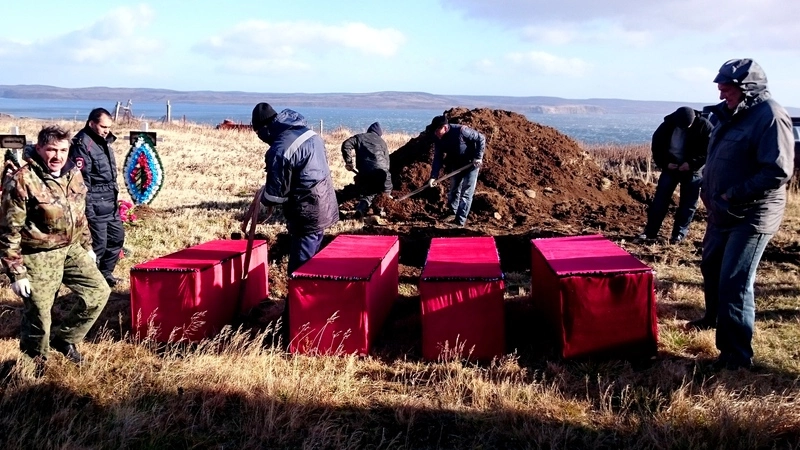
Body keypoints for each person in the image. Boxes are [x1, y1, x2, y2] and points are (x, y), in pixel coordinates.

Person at [689, 59, 794, 370]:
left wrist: (731, 194)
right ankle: (714, 318)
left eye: (727, 89)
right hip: (722, 211)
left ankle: (735, 357)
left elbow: (777, 171)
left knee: (734, 281)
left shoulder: (770, 116)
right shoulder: (729, 114)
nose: (721, 94)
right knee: (711, 267)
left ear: (748, 88)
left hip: (752, 214)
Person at [0, 125, 111, 373]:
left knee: (98, 292)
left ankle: (65, 339)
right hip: (38, 254)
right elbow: (9, 230)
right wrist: (16, 273)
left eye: (62, 150)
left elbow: (79, 214)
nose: (57, 156)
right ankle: (33, 364)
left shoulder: (73, 173)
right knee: (39, 313)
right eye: (51, 149)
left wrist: (87, 246)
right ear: (39, 148)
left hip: (71, 248)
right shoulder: (22, 180)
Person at [251, 103, 339, 334]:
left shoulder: (279, 149)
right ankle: (311, 312)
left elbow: (275, 196)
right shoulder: (308, 133)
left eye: (258, 133)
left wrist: (263, 198)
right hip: (324, 204)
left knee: (300, 270)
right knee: (312, 264)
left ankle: (296, 327)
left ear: (264, 128)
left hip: (307, 213)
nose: (260, 138)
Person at [637, 107, 712, 244]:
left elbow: (708, 150)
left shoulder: (704, 126)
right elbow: (657, 147)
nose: (683, 129)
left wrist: (691, 164)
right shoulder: (667, 125)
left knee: (688, 203)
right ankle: (650, 232)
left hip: (692, 170)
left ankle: (678, 235)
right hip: (671, 168)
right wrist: (665, 163)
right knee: (660, 200)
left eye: (686, 126)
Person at [69, 108, 125, 287]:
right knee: (98, 245)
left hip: (110, 201)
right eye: (103, 127)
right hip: (94, 203)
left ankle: (106, 274)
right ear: (91, 123)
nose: (107, 131)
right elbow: (81, 182)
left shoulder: (104, 142)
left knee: (116, 239)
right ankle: (92, 284)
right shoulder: (82, 144)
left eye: (109, 127)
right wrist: (88, 209)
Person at [426, 115, 486, 227]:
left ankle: (460, 221)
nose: (435, 133)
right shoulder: (438, 138)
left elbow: (481, 138)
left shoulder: (461, 131)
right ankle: (452, 213)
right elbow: (438, 157)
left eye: (437, 130)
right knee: (453, 190)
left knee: (466, 193)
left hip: (471, 164)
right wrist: (433, 176)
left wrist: (478, 157)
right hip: (456, 164)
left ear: (444, 127)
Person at [340, 122, 392, 219]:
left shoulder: (360, 137)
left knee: (369, 192)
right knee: (385, 191)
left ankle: (361, 208)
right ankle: (380, 209)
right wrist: (385, 174)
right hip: (382, 172)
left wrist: (349, 162)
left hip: (365, 172)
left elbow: (346, 145)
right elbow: (387, 161)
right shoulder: (382, 142)